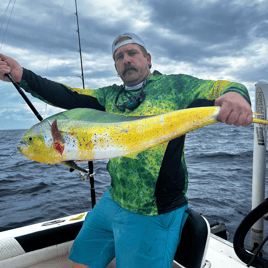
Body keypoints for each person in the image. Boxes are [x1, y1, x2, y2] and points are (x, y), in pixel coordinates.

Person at [0, 33, 253, 268]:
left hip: (152, 210)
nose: (126, 60)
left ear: (148, 58)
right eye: (119, 57)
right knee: (80, 261)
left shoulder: (175, 87)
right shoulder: (109, 97)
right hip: (113, 199)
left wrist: (237, 94)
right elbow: (68, 96)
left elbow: (222, 87)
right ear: (115, 67)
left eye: (132, 53)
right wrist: (22, 76)